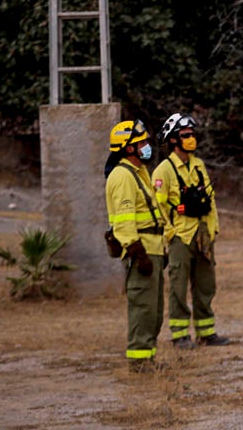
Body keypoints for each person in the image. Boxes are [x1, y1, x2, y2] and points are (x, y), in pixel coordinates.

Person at [155, 112, 230, 349]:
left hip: (203, 234)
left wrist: (213, 230)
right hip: (180, 236)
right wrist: (170, 234)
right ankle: (179, 335)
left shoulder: (198, 165)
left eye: (192, 135)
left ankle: (206, 333)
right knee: (178, 287)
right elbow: (158, 207)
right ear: (174, 140)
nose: (191, 139)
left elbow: (210, 200)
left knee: (206, 285)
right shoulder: (163, 171)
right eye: (186, 135)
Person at [105, 119, 167, 371]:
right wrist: (137, 252)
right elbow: (123, 220)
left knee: (154, 310)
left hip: (153, 248)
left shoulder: (139, 171)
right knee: (143, 308)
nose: (146, 146)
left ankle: (148, 357)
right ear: (128, 148)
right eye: (141, 142)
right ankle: (139, 362)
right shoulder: (122, 176)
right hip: (141, 250)